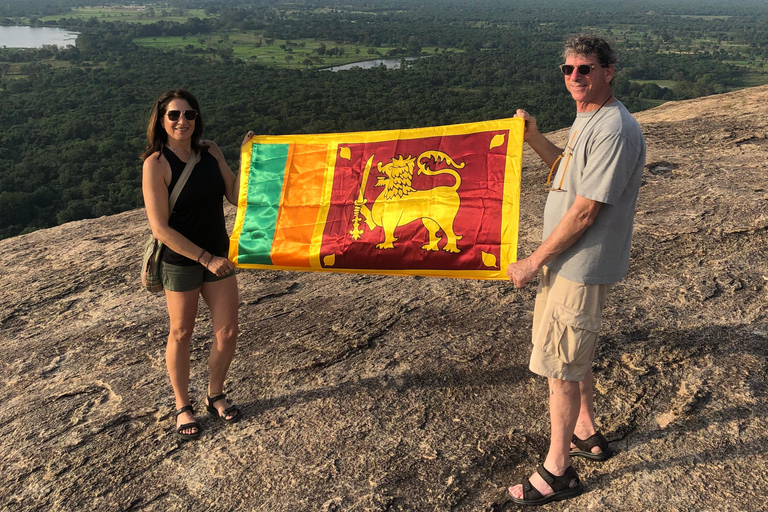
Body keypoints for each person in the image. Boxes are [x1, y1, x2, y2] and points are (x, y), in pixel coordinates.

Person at [506, 35, 646, 505]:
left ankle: (558, 470)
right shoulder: (588, 118)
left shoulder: (614, 129)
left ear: (609, 70)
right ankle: (585, 430)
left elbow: (586, 211)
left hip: (579, 266)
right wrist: (534, 138)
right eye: (567, 69)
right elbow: (562, 174)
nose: (575, 77)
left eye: (585, 69)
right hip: (565, 262)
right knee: (571, 354)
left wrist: (533, 260)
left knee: (560, 366)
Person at [142, 89, 253, 440]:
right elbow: (160, 228)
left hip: (217, 253)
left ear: (197, 118)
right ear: (161, 119)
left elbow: (236, 196)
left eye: (189, 114)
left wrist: (250, 157)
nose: (182, 121)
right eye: (174, 115)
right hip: (183, 259)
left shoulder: (211, 151)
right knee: (181, 332)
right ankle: (182, 405)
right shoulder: (156, 163)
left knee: (228, 332)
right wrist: (206, 258)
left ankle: (215, 394)